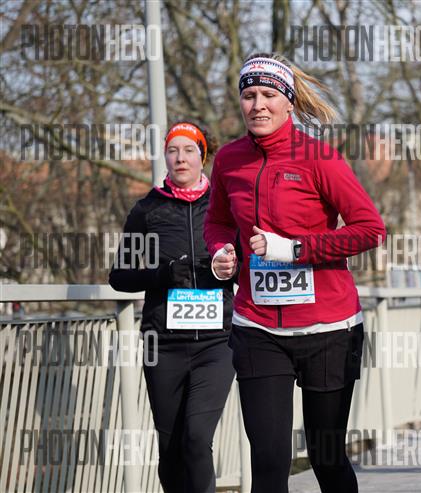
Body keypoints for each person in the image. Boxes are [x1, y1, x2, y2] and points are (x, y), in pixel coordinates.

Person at [204, 53, 385, 493]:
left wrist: (295, 249)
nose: (258, 105)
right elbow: (218, 222)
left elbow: (370, 229)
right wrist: (220, 252)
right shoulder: (228, 160)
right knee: (268, 462)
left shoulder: (319, 157)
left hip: (329, 327)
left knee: (326, 459)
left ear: (288, 102)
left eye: (268, 95)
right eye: (249, 95)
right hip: (258, 326)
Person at [109, 122, 235, 493]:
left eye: (189, 150)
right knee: (171, 448)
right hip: (162, 344)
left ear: (203, 156)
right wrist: (164, 274)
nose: (180, 158)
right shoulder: (147, 210)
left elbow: (248, 261)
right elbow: (119, 277)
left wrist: (233, 267)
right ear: (165, 157)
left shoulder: (225, 205)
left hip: (218, 342)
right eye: (172, 150)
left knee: (196, 437)